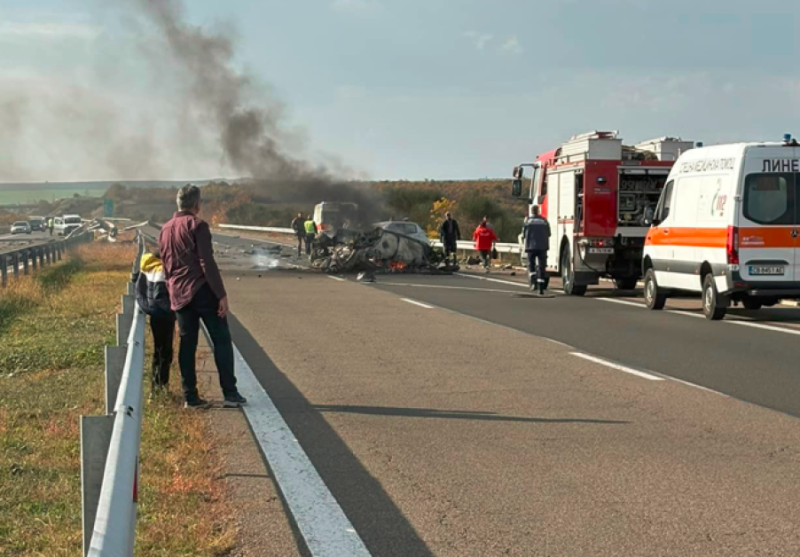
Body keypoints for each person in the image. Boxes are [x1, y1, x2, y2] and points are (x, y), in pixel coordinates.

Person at [158, 184, 247, 409]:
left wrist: (172, 288)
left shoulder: (165, 228)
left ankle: (191, 396)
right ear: (197, 204)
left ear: (178, 203)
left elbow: (165, 263)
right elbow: (206, 262)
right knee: (222, 340)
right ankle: (230, 393)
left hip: (178, 293)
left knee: (187, 344)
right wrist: (221, 294)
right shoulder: (198, 225)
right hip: (202, 290)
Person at [135, 246, 175, 393]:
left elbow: (137, 283)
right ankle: (160, 388)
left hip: (153, 313)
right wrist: (175, 312)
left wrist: (144, 305)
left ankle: (156, 388)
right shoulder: (161, 271)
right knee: (165, 353)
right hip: (163, 315)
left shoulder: (147, 265)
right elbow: (159, 298)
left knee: (158, 352)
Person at [523, 205, 551, 294]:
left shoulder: (528, 221)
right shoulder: (544, 221)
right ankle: (541, 287)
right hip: (542, 246)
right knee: (541, 266)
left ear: (532, 211)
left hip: (531, 247)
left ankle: (533, 283)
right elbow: (549, 233)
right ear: (538, 211)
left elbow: (524, 234)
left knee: (531, 265)